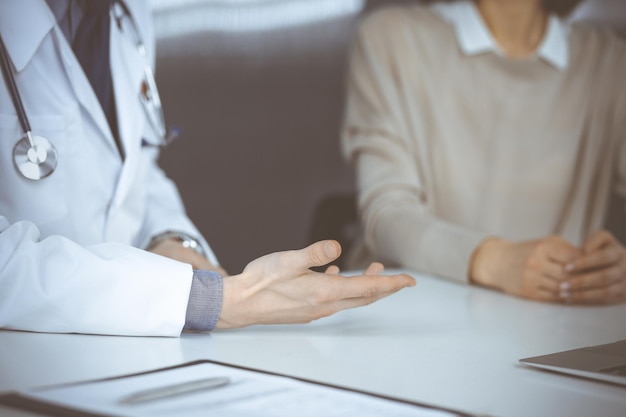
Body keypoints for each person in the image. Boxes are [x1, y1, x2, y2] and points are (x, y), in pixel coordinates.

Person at [0, 0, 415, 337]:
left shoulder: (126, 14)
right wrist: (210, 300)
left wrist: (172, 242)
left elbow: (133, 170)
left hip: (123, 346)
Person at [341, 0, 626, 304]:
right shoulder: (391, 37)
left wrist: (614, 269)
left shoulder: (610, 61)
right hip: (411, 311)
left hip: (556, 324)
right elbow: (386, 216)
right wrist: (495, 261)